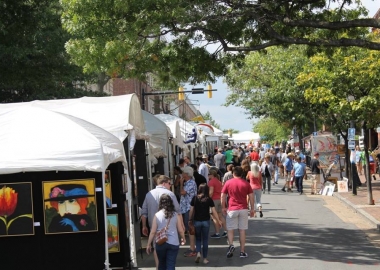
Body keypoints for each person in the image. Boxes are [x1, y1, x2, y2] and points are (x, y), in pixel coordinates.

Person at [141, 175, 183, 269]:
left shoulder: (149, 194)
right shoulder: (170, 194)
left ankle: (158, 267)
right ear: (164, 183)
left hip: (154, 227)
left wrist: (144, 225)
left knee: (157, 247)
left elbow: (144, 212)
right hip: (170, 228)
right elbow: (178, 211)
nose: (170, 185)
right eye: (169, 183)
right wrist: (182, 225)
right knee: (170, 258)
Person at [221, 166, 255, 259]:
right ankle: (242, 251)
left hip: (232, 208)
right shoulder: (246, 183)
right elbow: (251, 197)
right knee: (242, 230)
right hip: (243, 208)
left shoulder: (228, 183)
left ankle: (231, 245)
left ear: (233, 173)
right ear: (242, 173)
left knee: (230, 229)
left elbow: (223, 196)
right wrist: (252, 209)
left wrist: (223, 207)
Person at [146, 194, 186, 270]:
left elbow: (153, 232)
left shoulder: (157, 215)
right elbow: (180, 230)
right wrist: (183, 238)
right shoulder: (175, 215)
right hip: (173, 242)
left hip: (161, 243)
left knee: (161, 264)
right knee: (171, 264)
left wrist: (148, 244)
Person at [189, 183, 222, 264]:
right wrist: (218, 220)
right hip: (206, 221)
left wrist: (190, 219)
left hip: (197, 221)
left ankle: (198, 253)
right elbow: (214, 211)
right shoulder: (209, 199)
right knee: (205, 240)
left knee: (198, 239)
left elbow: (191, 210)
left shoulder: (195, 198)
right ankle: (205, 259)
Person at [180, 166, 198, 257]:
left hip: (189, 208)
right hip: (186, 207)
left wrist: (180, 183)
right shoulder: (188, 182)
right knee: (190, 227)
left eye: (183, 173)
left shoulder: (190, 183)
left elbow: (182, 192)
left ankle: (193, 248)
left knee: (190, 227)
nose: (181, 174)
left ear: (186, 174)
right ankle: (192, 247)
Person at [208, 170, 227, 238]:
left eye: (208, 174)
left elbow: (211, 192)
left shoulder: (211, 182)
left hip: (214, 200)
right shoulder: (218, 181)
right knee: (220, 216)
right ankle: (226, 231)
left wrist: (207, 199)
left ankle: (217, 233)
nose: (208, 176)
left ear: (211, 175)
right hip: (219, 199)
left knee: (214, 217)